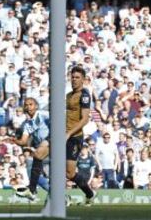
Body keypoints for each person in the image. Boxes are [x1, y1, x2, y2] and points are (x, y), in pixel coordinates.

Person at [66, 66, 96, 206]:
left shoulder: (84, 94)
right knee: (60, 169)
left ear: (83, 80)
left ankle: (89, 193)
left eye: (77, 77)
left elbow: (84, 119)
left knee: (70, 173)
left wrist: (68, 133)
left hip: (74, 137)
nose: (74, 80)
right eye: (72, 77)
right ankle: (61, 198)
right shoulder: (68, 95)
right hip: (64, 135)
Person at [12, 97, 49, 201]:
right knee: (30, 166)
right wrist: (14, 140)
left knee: (35, 158)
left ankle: (32, 190)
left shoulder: (44, 114)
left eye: (31, 104)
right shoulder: (27, 124)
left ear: (36, 106)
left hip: (53, 144)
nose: (28, 107)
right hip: (44, 150)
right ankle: (56, 194)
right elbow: (23, 141)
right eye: (26, 105)